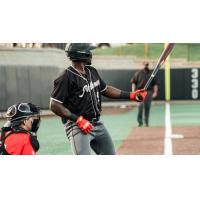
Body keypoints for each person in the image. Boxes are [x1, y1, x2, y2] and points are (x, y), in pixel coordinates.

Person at [49, 43, 147, 155]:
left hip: (98, 124)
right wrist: (78, 120)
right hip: (77, 126)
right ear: (81, 53)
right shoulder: (66, 77)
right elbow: (54, 105)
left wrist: (131, 95)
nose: (90, 53)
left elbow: (105, 89)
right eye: (88, 51)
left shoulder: (91, 71)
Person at [131, 61, 158, 127]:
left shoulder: (151, 74)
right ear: (142, 65)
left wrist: (155, 92)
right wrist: (133, 91)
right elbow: (133, 82)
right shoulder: (138, 73)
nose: (146, 66)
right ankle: (140, 122)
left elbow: (155, 84)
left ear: (148, 65)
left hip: (148, 92)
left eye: (147, 65)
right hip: (140, 92)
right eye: (145, 65)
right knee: (140, 107)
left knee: (147, 107)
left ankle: (146, 122)